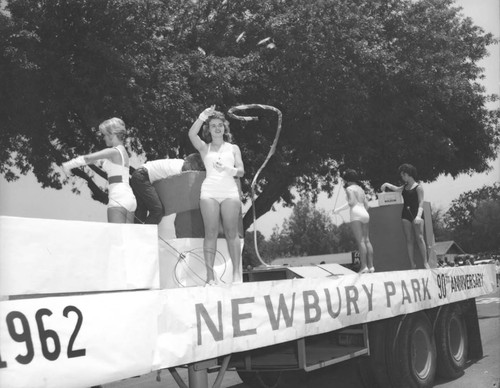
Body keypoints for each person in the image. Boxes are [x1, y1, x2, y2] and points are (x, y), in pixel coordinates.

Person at [188, 106, 244, 285]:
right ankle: (210, 277)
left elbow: (241, 171)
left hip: (229, 192)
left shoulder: (233, 148)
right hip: (209, 192)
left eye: (220, 125)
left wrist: (229, 169)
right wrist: (202, 117)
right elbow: (191, 135)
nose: (217, 128)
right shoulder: (205, 148)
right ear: (209, 129)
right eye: (213, 125)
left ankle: (236, 274)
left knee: (231, 233)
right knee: (210, 232)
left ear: (225, 128)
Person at [62, 117, 137, 223]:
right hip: (129, 199)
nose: (104, 138)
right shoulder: (122, 152)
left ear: (112, 134)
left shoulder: (113, 152)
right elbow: (99, 162)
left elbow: (88, 158)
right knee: (127, 238)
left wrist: (68, 165)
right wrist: (96, 161)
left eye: (105, 135)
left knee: (115, 238)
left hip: (118, 198)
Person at [130, 153, 204, 224]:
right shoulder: (177, 171)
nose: (190, 172)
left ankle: (137, 234)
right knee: (157, 211)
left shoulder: (181, 165)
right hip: (142, 177)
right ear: (187, 161)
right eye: (191, 168)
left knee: (141, 211)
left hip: (141, 175)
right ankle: (144, 234)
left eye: (194, 171)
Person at [381, 163, 430, 269]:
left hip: (417, 214)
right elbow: (396, 189)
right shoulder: (404, 187)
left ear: (408, 174)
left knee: (420, 238)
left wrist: (418, 215)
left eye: (403, 175)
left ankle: (425, 262)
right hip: (405, 214)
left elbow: (421, 201)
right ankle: (412, 263)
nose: (402, 177)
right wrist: (386, 184)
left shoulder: (418, 187)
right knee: (409, 239)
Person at [333, 169, 374, 273]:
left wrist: (338, 210)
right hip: (365, 213)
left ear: (347, 180)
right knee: (367, 240)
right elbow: (367, 206)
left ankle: (363, 267)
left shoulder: (349, 189)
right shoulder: (361, 189)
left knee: (360, 241)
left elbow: (351, 203)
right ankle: (371, 266)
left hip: (356, 213)